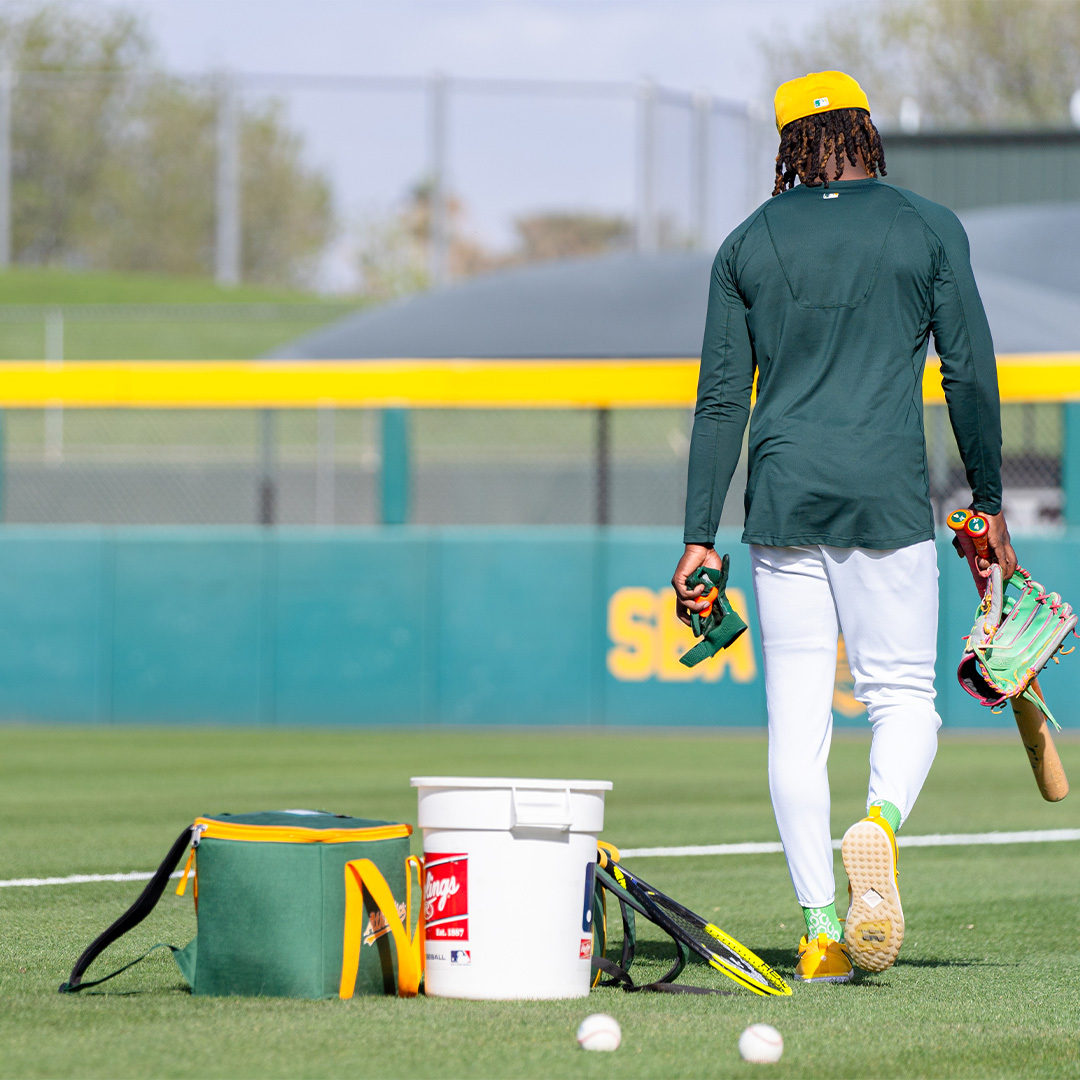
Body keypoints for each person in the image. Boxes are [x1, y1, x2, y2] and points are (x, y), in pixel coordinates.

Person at [671, 71, 1016, 982]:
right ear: (867, 130)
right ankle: (879, 827)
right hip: (885, 496)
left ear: (786, 143)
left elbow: (717, 403)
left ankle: (823, 929)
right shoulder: (929, 224)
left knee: (795, 720)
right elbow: (968, 373)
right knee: (902, 698)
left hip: (783, 501)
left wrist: (698, 534)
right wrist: (988, 494)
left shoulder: (746, 243)